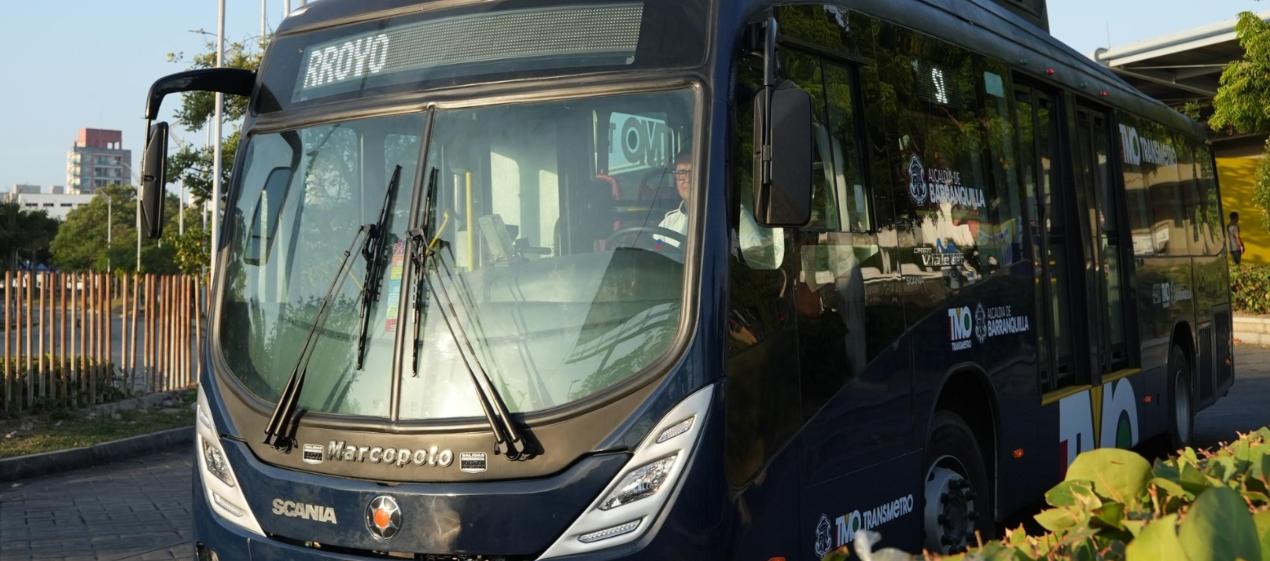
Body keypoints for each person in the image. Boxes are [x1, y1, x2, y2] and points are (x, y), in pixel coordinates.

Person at [654, 152, 693, 247]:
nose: (687, 179)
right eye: (681, 173)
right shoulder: (667, 223)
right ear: (675, 180)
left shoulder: (719, 223)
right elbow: (657, 250)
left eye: (693, 172)